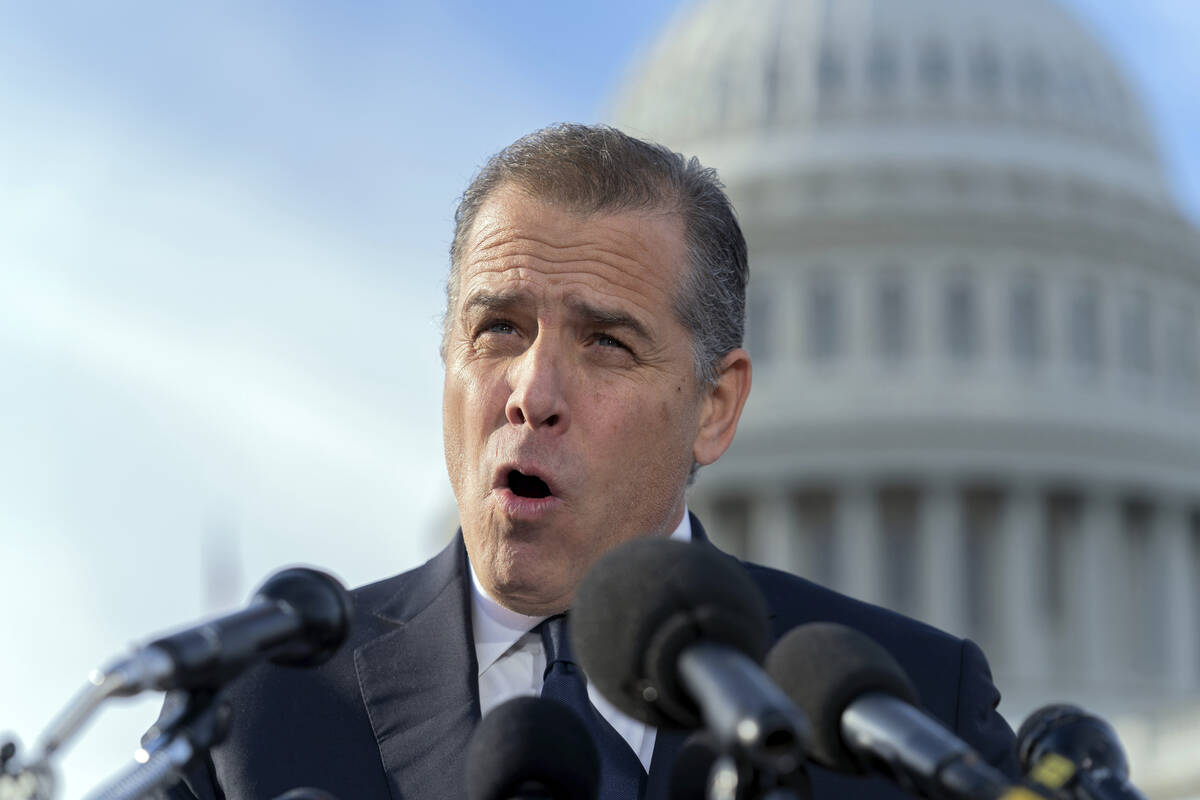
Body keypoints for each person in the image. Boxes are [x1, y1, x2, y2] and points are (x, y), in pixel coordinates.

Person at [167, 124, 1016, 800]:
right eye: (498, 328)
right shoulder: (253, 711)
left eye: (606, 342)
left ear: (713, 409)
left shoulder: (908, 713)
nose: (532, 394)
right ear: (447, 358)